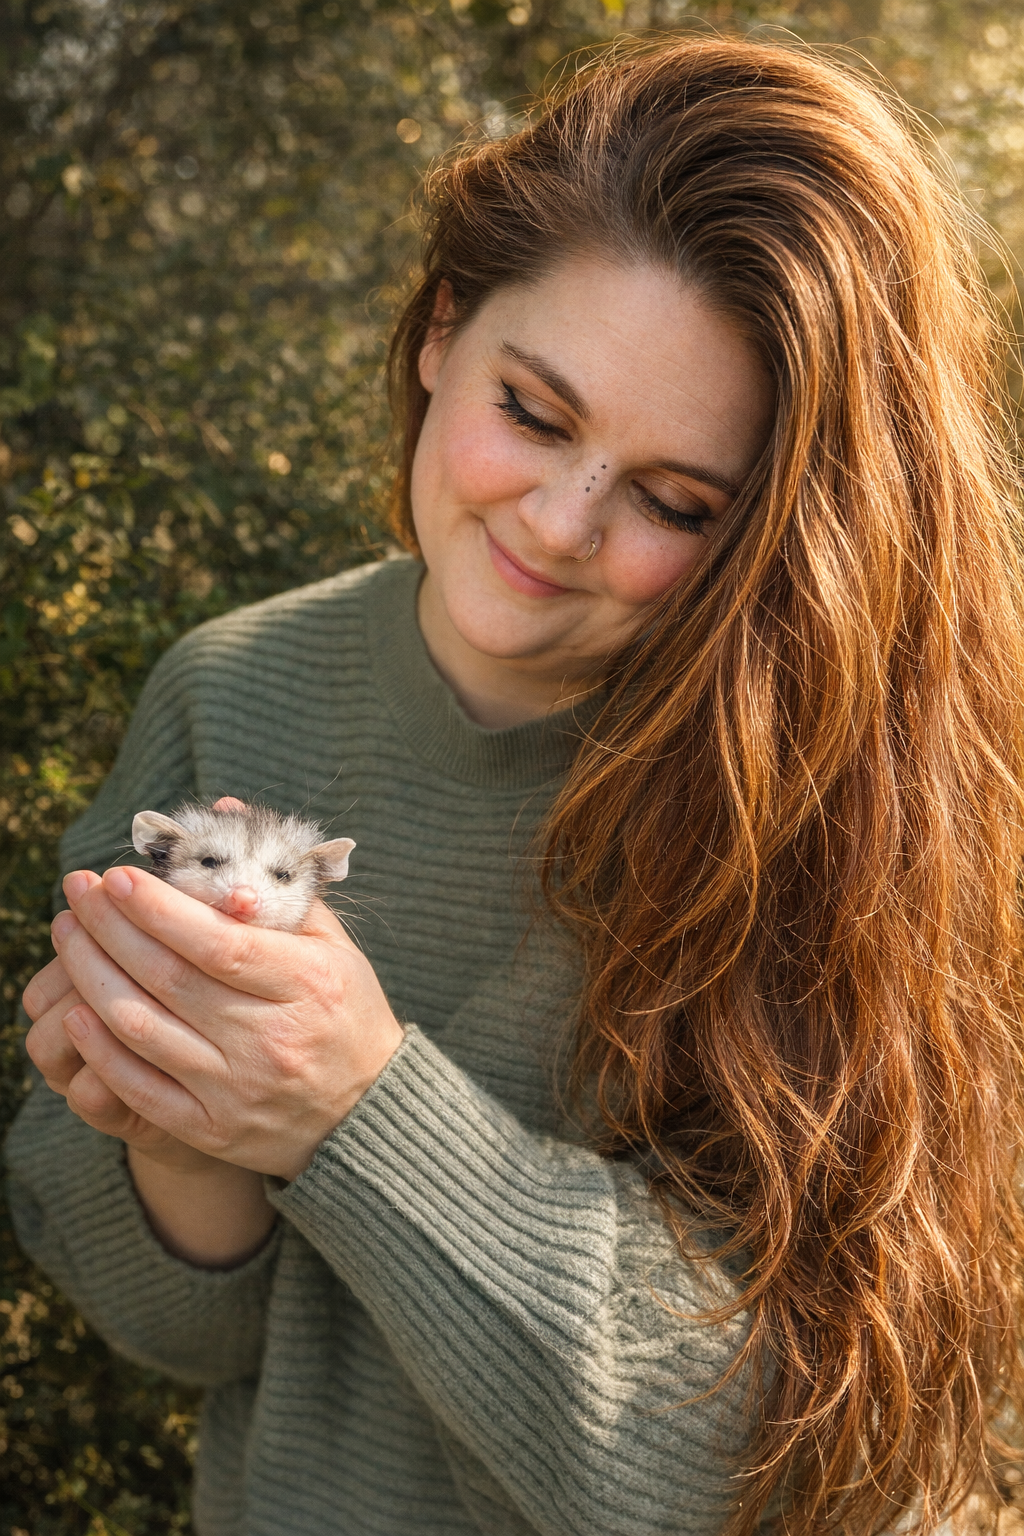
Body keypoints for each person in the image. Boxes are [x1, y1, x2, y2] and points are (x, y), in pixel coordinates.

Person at [7, 33, 1024, 1536]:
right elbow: (182, 1337)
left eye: (674, 500)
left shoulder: (846, 799)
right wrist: (175, 1131)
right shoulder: (231, 689)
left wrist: (356, 1111)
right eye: (535, 415)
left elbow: (771, 1461)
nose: (557, 523)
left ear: (774, 530)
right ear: (440, 329)